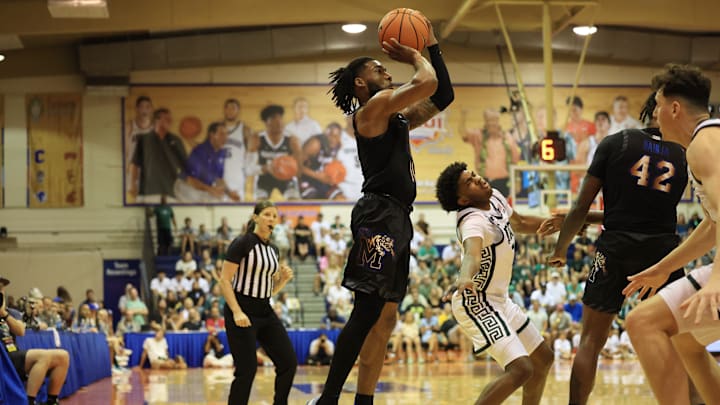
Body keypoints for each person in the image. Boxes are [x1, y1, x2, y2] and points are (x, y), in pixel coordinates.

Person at [307, 18, 454, 405]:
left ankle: (364, 400)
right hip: (378, 214)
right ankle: (329, 398)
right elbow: (427, 83)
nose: (386, 71)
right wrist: (415, 54)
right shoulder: (371, 110)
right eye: (377, 68)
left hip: (398, 217)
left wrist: (434, 44)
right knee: (367, 310)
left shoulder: (395, 117)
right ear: (360, 83)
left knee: (385, 320)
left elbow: (444, 95)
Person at [544, 90, 690, 405]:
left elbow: (581, 205)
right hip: (663, 251)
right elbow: (653, 211)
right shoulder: (684, 154)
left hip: (616, 247)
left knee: (590, 343)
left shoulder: (615, 142)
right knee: (683, 344)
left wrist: (560, 250)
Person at [620, 64, 720, 405]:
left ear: (674, 108)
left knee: (642, 322)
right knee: (685, 338)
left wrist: (718, 279)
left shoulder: (704, 144)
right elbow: (712, 225)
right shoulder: (710, 139)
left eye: (658, 105)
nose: (655, 115)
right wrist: (665, 266)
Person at [434, 161, 554, 405]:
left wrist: (556, 225)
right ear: (464, 200)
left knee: (543, 358)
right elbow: (472, 254)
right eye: (469, 183)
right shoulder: (472, 222)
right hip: (476, 301)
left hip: (500, 300)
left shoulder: (496, 197)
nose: (478, 179)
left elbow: (520, 223)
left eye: (474, 175)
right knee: (521, 369)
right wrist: (465, 277)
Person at [218, 200, 296, 405]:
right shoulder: (242, 243)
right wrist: (236, 312)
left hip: (265, 311)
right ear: (255, 217)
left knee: (288, 362)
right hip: (241, 309)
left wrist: (282, 281)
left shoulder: (274, 250)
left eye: (274, 216)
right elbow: (224, 280)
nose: (271, 219)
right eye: (267, 214)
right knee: (246, 370)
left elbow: (267, 290)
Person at [0, 276, 70, 405]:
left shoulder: (11, 313)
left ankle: (52, 401)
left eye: (2, 289)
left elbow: (20, 331)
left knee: (63, 356)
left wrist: (3, 313)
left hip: (13, 354)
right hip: (2, 358)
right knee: (43, 357)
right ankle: (29, 401)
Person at [129, 108, 188, 202]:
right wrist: (132, 185)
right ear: (157, 120)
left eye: (170, 119)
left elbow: (185, 167)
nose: (170, 121)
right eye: (167, 119)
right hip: (148, 193)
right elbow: (134, 164)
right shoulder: (143, 139)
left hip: (171, 193)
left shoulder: (176, 141)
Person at [460, 108, 521, 196]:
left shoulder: (507, 138)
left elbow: (515, 162)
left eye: (494, 120)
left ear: (498, 121)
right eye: (488, 120)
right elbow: (463, 133)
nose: (491, 123)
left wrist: (517, 181)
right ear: (485, 122)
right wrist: (463, 117)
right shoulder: (479, 135)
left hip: (504, 182)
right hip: (484, 181)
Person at [175, 122, 240, 202]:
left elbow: (219, 179)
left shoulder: (221, 153)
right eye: (222, 134)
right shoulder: (200, 151)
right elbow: (190, 179)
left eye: (226, 134)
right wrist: (211, 190)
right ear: (212, 135)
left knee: (218, 201)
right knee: (202, 203)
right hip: (186, 187)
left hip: (203, 189)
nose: (225, 137)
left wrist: (229, 193)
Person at [255, 105, 302, 200]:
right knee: (261, 205)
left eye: (280, 119)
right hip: (265, 179)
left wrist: (291, 167)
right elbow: (248, 169)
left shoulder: (292, 141)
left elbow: (299, 169)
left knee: (294, 200)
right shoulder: (258, 140)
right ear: (266, 122)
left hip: (287, 179)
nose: (279, 122)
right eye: (274, 120)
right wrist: (267, 168)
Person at [221, 98, 257, 202]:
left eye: (233, 108)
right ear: (224, 110)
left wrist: (247, 172)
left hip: (237, 178)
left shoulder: (245, 130)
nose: (230, 111)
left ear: (238, 111)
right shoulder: (217, 129)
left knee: (236, 212)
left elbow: (251, 155)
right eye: (228, 108)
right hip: (219, 178)